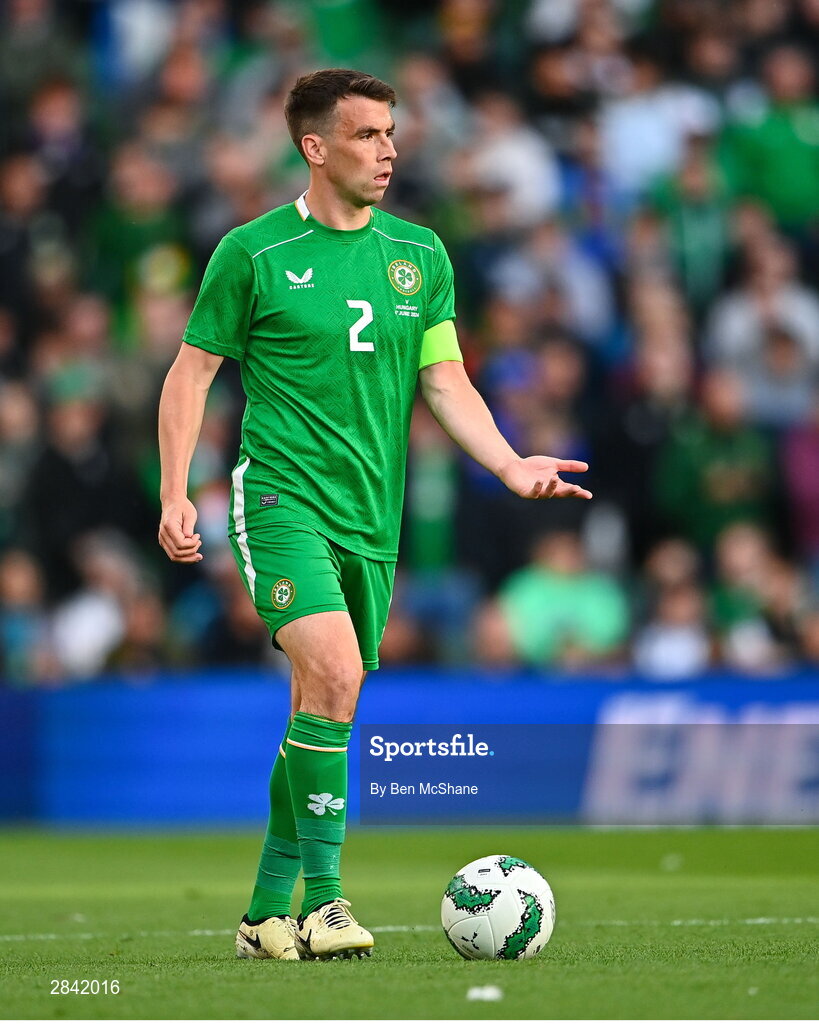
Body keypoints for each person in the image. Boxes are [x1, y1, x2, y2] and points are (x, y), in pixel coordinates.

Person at [157, 68, 591, 963]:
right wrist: (173, 490)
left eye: (391, 132)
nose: (388, 148)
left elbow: (444, 378)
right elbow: (191, 373)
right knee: (336, 674)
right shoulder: (253, 253)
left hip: (371, 517)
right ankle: (326, 903)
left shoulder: (420, 256)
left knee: (326, 703)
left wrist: (509, 462)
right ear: (314, 148)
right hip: (281, 497)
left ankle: (262, 912)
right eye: (365, 134)